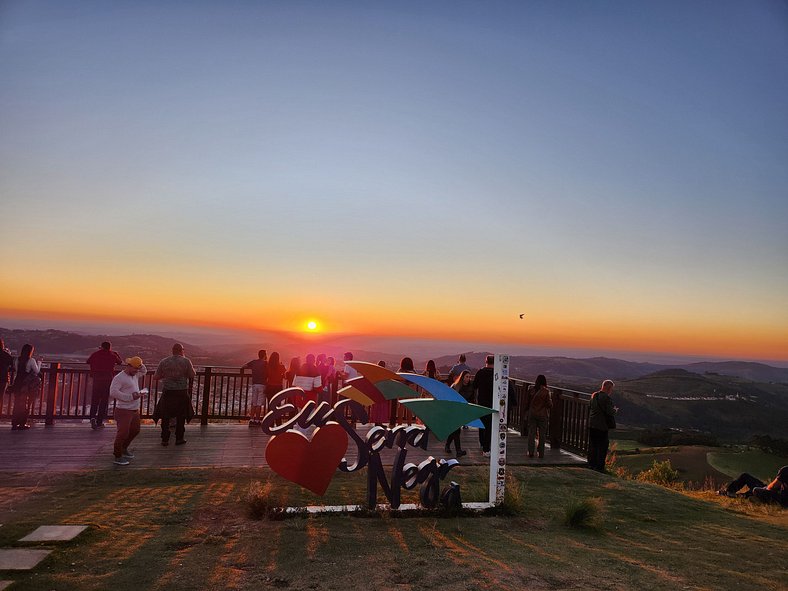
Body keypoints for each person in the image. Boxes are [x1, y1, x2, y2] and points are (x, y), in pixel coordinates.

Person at [153, 343, 196, 446]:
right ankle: (179, 438)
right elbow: (192, 374)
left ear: (172, 351)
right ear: (182, 351)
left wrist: (166, 375)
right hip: (181, 392)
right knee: (181, 416)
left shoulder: (164, 361)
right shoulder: (186, 361)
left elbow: (156, 376)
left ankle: (165, 439)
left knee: (165, 415)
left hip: (168, 392)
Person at [109, 356, 147, 466]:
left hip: (134, 409)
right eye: (135, 368)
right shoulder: (119, 378)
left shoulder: (134, 374)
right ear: (128, 366)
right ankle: (118, 456)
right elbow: (113, 392)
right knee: (123, 433)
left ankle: (124, 449)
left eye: (137, 369)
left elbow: (144, 371)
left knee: (135, 430)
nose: (137, 371)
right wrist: (130, 397)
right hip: (123, 410)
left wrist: (140, 363)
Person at [87, 341, 123, 429]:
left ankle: (92, 417)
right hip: (107, 380)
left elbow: (88, 361)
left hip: (96, 380)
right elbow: (120, 362)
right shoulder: (112, 355)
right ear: (109, 347)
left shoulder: (96, 354)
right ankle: (99, 422)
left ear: (102, 347)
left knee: (95, 400)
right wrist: (116, 354)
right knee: (103, 401)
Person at [719, 466, 788, 507]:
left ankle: (732, 494)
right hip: (780, 497)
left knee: (756, 490)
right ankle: (730, 493)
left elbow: (772, 486)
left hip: (780, 500)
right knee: (745, 476)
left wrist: (765, 488)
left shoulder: (785, 470)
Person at [10, 343, 42, 431]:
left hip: (17, 382)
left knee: (16, 403)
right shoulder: (31, 360)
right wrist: (39, 362)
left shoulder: (17, 359)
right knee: (25, 404)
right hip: (26, 384)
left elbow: (16, 370)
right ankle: (22, 423)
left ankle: (14, 423)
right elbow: (36, 371)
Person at [588, 379, 616, 472]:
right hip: (602, 426)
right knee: (602, 446)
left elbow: (590, 407)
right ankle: (599, 467)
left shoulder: (594, 395)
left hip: (592, 424)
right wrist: (615, 410)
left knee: (593, 445)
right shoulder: (606, 398)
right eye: (611, 389)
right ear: (609, 388)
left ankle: (591, 464)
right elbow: (609, 412)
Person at [472, 355, 495, 456]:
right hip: (492, 403)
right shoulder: (496, 374)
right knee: (489, 426)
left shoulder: (480, 372)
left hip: (481, 402)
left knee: (482, 424)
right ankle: (486, 448)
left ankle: (482, 442)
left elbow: (474, 386)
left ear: (486, 361)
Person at [446, 370, 472, 457]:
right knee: (457, 430)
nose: (468, 379)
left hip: (463, 410)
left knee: (454, 430)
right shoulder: (455, 386)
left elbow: (471, 400)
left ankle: (447, 445)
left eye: (469, 377)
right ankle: (458, 450)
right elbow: (449, 397)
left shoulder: (470, 387)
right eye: (466, 377)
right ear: (462, 377)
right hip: (454, 410)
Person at [527, 374, 552, 459]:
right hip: (542, 415)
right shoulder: (546, 391)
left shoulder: (531, 390)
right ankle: (541, 453)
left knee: (531, 433)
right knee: (542, 435)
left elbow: (527, 402)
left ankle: (530, 452)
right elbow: (549, 405)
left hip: (532, 414)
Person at [242, 349, 268, 426]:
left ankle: (251, 419)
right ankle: (257, 420)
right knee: (259, 404)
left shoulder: (253, 362)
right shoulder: (266, 363)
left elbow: (243, 366)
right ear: (264, 355)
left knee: (254, 403)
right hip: (262, 385)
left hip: (254, 384)